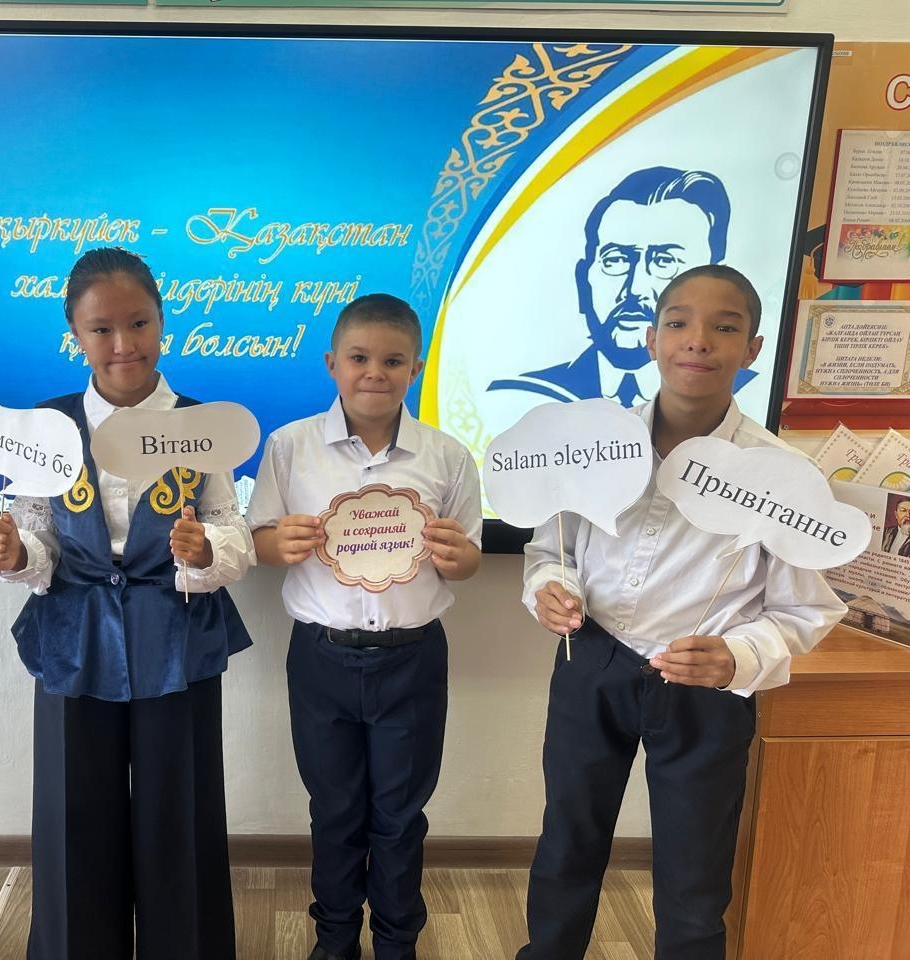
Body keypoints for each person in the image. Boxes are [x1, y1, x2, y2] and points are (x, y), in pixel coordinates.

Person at [516, 264, 847, 960]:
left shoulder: (782, 477)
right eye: (678, 323)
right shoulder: (594, 446)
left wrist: (739, 656)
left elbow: (806, 609)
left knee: (695, 876)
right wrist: (548, 584)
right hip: (591, 660)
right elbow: (552, 548)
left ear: (752, 349)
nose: (698, 340)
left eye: (724, 327)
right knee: (566, 844)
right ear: (651, 338)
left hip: (704, 686)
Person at [0, 246, 253, 960]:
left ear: (162, 322)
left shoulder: (200, 423)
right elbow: (37, 533)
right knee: (75, 817)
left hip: (177, 637)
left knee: (178, 816)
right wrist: (16, 554)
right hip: (73, 636)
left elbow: (232, 529)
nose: (123, 344)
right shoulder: (49, 426)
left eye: (139, 323)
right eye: (102, 329)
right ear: (75, 333)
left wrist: (205, 552)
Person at [246, 293, 483, 960]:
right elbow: (258, 541)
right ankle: (335, 939)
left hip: (412, 660)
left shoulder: (447, 456)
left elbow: (468, 557)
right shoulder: (289, 446)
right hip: (320, 658)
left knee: (400, 815)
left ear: (417, 369)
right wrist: (278, 544)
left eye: (393, 361)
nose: (375, 372)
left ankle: (398, 942)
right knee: (335, 809)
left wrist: (460, 559)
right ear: (332, 364)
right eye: (359, 358)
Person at [489, 166, 755, 407]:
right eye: (615, 260)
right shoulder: (525, 398)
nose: (635, 288)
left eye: (664, 261)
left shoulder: (755, 397)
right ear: (583, 280)